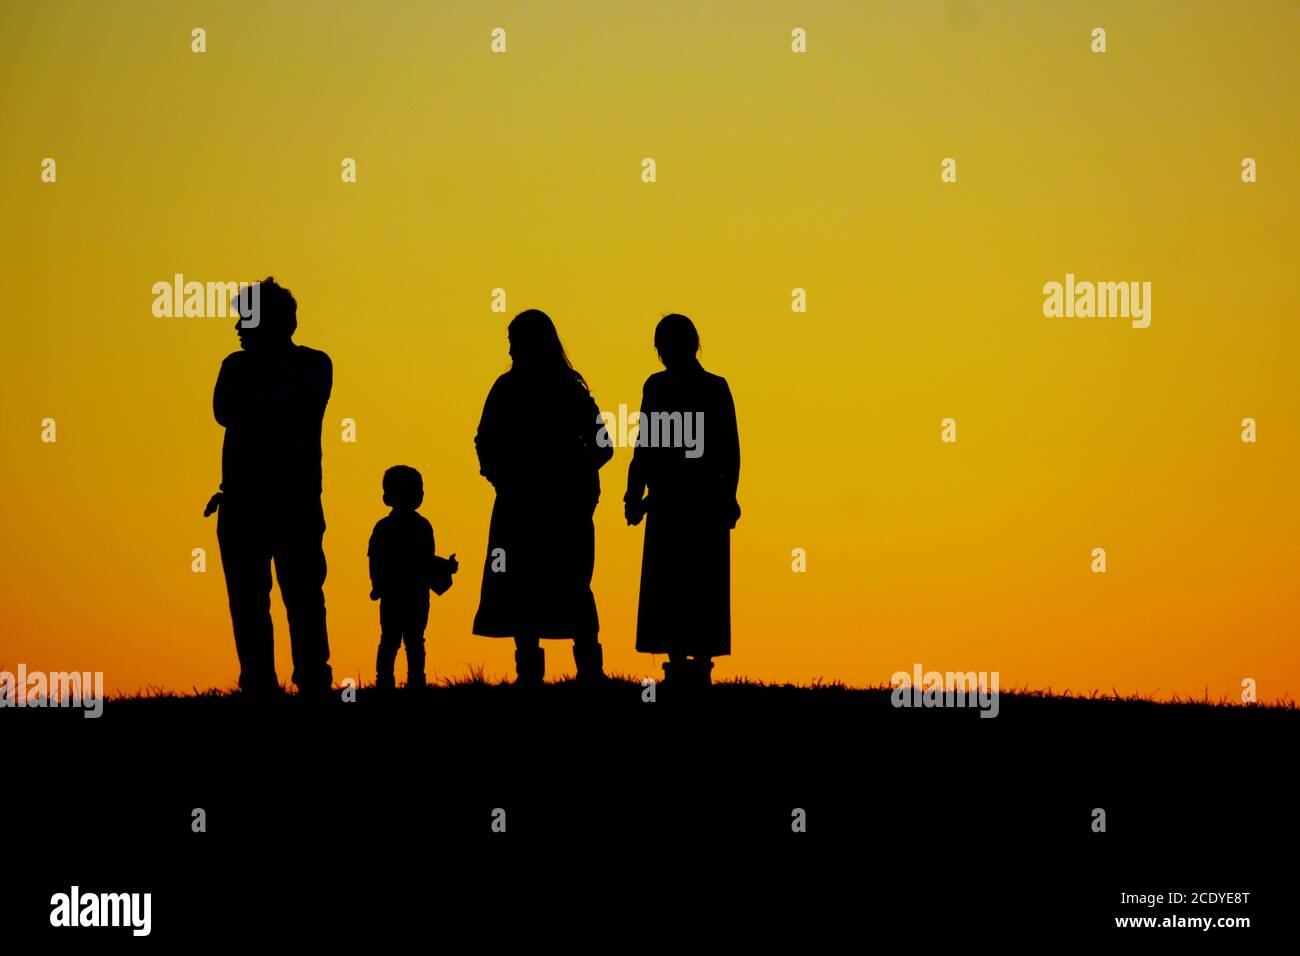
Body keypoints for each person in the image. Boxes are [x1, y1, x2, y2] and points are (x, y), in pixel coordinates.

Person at [206, 277, 334, 698]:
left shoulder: (313, 365)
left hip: (287, 501)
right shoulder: (243, 367)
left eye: (247, 318)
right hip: (251, 502)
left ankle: (310, 679)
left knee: (299, 597)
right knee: (253, 600)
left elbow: (242, 410)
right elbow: (226, 412)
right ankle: (262, 681)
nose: (239, 327)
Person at [472, 309, 613, 685]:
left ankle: (568, 672)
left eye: (515, 341)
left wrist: (568, 477)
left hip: (549, 505)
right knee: (550, 585)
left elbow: (603, 446)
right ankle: (573, 672)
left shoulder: (539, 389)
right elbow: (485, 442)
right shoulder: (561, 388)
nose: (512, 349)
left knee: (554, 584)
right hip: (544, 504)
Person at [625, 314, 740, 690]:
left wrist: (634, 491)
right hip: (704, 503)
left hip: (670, 504)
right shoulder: (716, 388)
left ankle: (676, 665)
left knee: (671, 585)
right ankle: (701, 666)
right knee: (702, 584)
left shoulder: (658, 387)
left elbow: (646, 444)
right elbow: (729, 452)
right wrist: (728, 497)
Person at [368, 465, 458, 690]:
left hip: (411, 594)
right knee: (397, 640)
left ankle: (410, 680)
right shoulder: (397, 527)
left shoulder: (409, 527)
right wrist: (378, 584)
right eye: (412, 490)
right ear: (388, 497)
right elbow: (377, 559)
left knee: (406, 640)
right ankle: (392, 680)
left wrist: (445, 567)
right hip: (401, 593)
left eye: (418, 490)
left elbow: (424, 560)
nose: (418, 495)